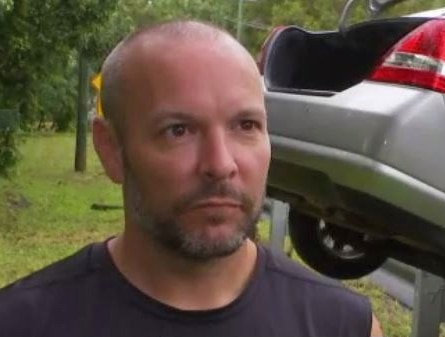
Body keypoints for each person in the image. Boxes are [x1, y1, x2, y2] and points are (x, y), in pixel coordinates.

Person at [0, 20, 383, 337]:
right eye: (178, 130)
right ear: (112, 149)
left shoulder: (344, 326)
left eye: (245, 125)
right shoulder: (22, 322)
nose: (220, 164)